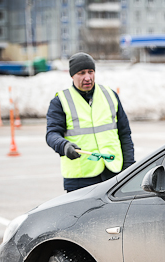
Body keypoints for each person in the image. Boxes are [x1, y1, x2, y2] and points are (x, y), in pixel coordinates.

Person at [46, 52, 135, 192]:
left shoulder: (109, 95)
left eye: (91, 72)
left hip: (113, 171)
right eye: (81, 73)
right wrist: (64, 146)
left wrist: (128, 166)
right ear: (72, 75)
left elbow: (124, 133)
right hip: (80, 177)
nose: (87, 77)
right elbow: (51, 134)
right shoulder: (61, 101)